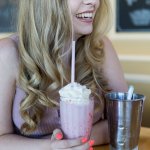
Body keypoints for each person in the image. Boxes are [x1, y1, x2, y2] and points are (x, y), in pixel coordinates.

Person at [0, 0, 128, 149]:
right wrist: (51, 146)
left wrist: (71, 143)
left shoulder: (100, 48)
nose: (93, 1)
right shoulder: (7, 52)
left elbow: (124, 120)